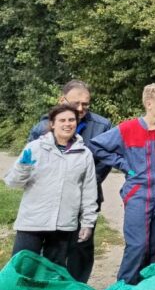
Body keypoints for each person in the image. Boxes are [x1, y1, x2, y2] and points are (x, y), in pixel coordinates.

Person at [92, 83, 155, 284]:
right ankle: (125, 287)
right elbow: (97, 146)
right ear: (149, 103)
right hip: (137, 193)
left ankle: (149, 286)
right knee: (137, 244)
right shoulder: (127, 129)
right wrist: (122, 164)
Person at [27, 80, 111, 282]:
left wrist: (84, 181)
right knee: (55, 248)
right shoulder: (42, 127)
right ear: (62, 100)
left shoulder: (102, 126)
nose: (81, 109)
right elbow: (31, 162)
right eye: (76, 103)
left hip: (86, 198)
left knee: (80, 248)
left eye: (86, 104)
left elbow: (105, 161)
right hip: (51, 199)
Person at [6, 104, 98, 272]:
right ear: (52, 124)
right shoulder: (34, 148)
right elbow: (13, 183)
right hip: (32, 222)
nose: (67, 124)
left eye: (71, 120)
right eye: (62, 120)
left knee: (52, 273)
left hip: (63, 225)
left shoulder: (84, 154)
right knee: (21, 271)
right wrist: (23, 168)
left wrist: (88, 223)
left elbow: (89, 192)